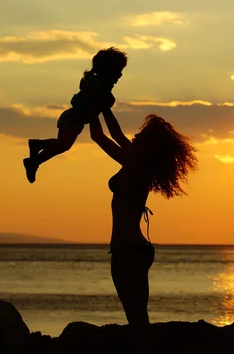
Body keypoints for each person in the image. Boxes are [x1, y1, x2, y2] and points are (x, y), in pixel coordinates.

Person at [89, 108, 198, 326]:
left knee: (136, 316)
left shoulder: (137, 167)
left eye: (141, 135)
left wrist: (93, 108)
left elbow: (99, 136)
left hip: (128, 251)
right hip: (131, 249)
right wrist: (102, 107)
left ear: (148, 145)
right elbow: (115, 134)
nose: (135, 136)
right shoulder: (137, 164)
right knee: (137, 315)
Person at [23, 47, 128, 183]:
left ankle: (37, 148)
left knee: (63, 144)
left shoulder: (97, 85)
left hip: (75, 119)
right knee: (63, 145)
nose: (120, 75)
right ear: (107, 70)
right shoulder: (97, 87)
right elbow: (96, 103)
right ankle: (34, 159)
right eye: (118, 71)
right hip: (72, 119)